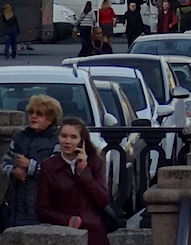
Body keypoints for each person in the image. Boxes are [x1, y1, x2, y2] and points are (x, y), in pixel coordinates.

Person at [36, 117, 111, 245]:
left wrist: (84, 171)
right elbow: (42, 209)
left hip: (94, 232)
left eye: (73, 137)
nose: (67, 141)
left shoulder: (94, 162)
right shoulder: (49, 166)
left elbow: (103, 199)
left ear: (82, 140)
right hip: (64, 233)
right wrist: (67, 220)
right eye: (64, 136)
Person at [1, 94, 61, 229]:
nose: (33, 116)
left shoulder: (56, 141)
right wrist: (13, 172)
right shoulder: (19, 137)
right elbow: (5, 163)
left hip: (41, 206)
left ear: (50, 119)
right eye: (31, 112)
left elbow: (56, 172)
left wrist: (30, 166)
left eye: (39, 114)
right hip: (15, 205)